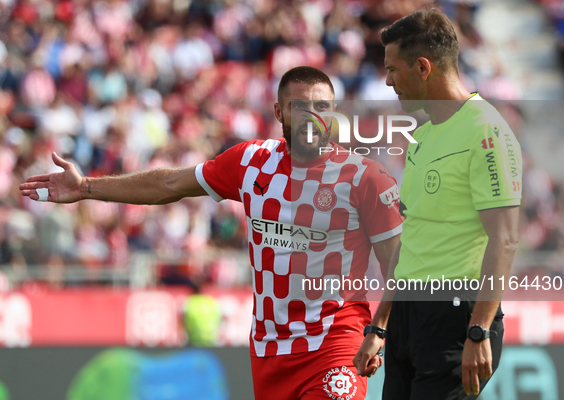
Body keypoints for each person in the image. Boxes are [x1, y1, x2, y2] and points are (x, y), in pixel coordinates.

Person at [20, 66, 404, 400]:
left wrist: (380, 330)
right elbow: (169, 184)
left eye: (322, 107)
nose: (313, 117)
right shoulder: (252, 163)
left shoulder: (363, 178)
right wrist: (87, 186)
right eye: (301, 106)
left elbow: (399, 266)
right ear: (279, 112)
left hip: (336, 343)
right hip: (270, 352)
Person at [353, 6, 522, 400]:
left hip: (455, 315)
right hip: (406, 320)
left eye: (393, 69)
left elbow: (506, 239)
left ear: (424, 67)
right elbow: (411, 239)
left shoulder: (486, 130)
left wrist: (478, 330)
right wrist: (381, 325)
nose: (389, 81)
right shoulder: (423, 138)